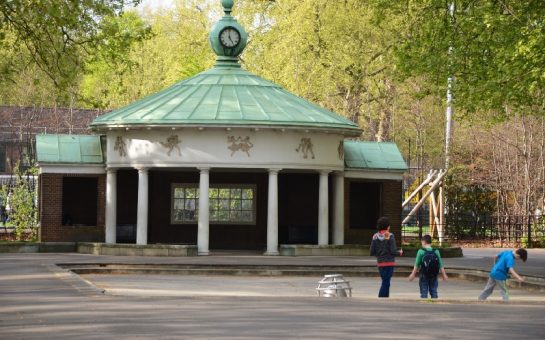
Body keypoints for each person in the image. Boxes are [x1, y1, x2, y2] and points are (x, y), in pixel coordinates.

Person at [370, 217, 403, 298]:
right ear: (388, 227)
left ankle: (386, 298)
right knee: (386, 282)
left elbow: (371, 251)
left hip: (380, 263)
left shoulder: (375, 236)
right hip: (389, 263)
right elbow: (393, 251)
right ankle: (381, 298)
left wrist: (379, 254)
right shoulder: (390, 235)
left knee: (386, 282)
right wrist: (400, 253)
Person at [408, 235, 448, 299]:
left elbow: (417, 264)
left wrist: (413, 274)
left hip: (424, 274)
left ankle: (424, 307)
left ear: (424, 242)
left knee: (424, 292)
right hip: (434, 275)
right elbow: (440, 264)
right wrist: (444, 275)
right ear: (430, 242)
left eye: (421, 243)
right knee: (434, 291)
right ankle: (434, 305)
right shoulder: (436, 251)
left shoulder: (421, 251)